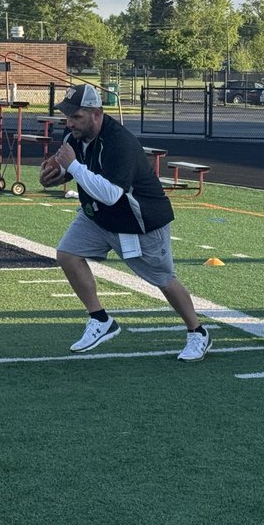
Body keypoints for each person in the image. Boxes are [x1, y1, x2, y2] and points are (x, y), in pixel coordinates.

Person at [41, 83, 211, 362]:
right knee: (67, 254)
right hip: (97, 216)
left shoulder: (121, 142)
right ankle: (100, 319)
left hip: (138, 221)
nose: (70, 122)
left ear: (97, 114)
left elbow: (111, 194)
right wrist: (53, 175)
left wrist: (71, 166)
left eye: (77, 116)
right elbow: (71, 169)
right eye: (68, 116)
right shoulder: (74, 136)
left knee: (164, 280)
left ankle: (197, 332)